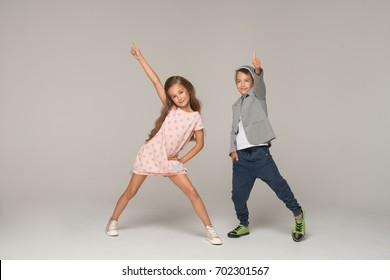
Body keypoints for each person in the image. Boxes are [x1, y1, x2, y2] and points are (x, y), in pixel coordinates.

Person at [105, 42, 222, 245]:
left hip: (169, 161)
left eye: (181, 93)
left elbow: (200, 144)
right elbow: (156, 81)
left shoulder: (195, 117)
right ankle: (112, 221)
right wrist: (140, 58)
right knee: (131, 191)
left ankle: (209, 229)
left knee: (193, 193)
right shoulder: (171, 110)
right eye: (174, 96)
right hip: (150, 155)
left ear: (188, 90)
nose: (178, 98)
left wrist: (182, 159)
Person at [228, 51, 305, 242]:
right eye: (239, 81)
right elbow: (233, 129)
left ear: (252, 82)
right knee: (237, 196)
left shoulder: (258, 96)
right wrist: (232, 150)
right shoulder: (235, 105)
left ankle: (298, 215)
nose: (243, 84)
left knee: (279, 185)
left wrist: (257, 70)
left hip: (260, 155)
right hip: (241, 159)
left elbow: (260, 85)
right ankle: (243, 224)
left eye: (247, 80)